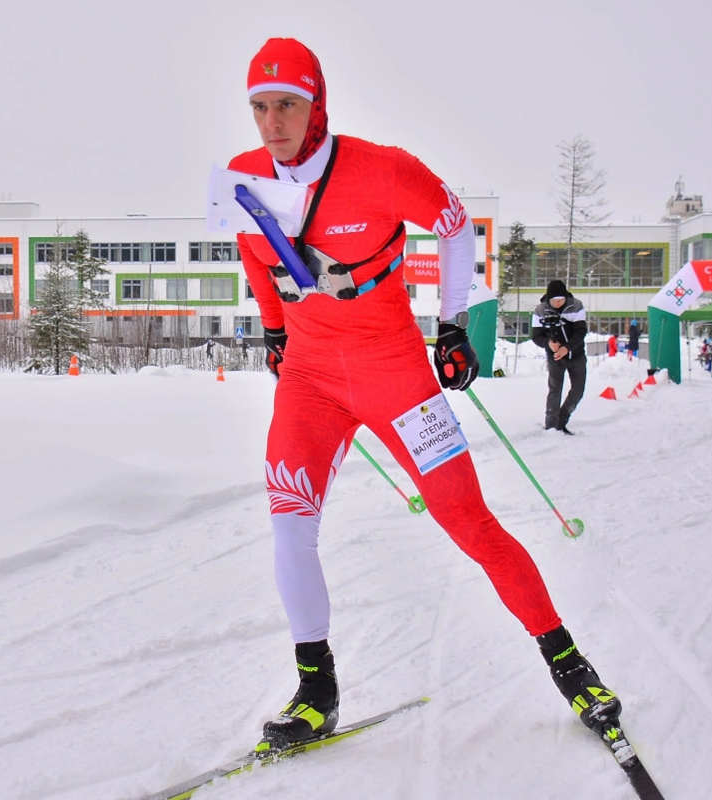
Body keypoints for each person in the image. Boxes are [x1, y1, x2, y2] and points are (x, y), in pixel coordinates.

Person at [228, 37, 619, 752]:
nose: (273, 122)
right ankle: (316, 689)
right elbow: (253, 253)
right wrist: (275, 332)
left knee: (468, 521)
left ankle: (568, 661)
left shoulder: (382, 170)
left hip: (395, 375)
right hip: (312, 381)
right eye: (260, 107)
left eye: (287, 104)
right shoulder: (243, 178)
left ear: (316, 106)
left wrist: (452, 325)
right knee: (289, 522)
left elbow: (454, 226)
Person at [530, 279, 588, 434]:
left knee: (578, 390)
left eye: (561, 299)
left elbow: (581, 331)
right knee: (555, 389)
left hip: (576, 354)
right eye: (555, 300)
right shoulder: (540, 310)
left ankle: (562, 420)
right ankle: (551, 426)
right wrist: (549, 343)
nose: (558, 303)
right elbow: (536, 336)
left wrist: (567, 348)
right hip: (555, 356)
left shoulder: (576, 306)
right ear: (549, 299)